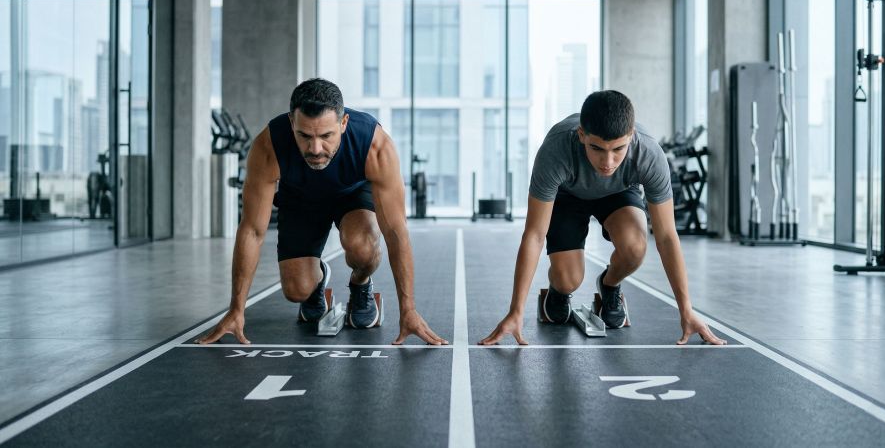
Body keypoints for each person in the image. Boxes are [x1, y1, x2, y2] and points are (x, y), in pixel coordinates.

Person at [199, 78, 447, 346]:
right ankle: (317, 280)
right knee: (296, 290)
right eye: (304, 136)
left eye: (326, 136)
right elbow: (252, 230)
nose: (315, 149)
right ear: (292, 123)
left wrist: (407, 309)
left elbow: (396, 232)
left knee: (362, 247)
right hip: (300, 197)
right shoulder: (269, 146)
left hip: (352, 193)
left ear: (343, 124)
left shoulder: (374, 145)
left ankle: (361, 284)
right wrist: (236, 309)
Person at [480, 90, 726, 346]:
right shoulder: (556, 150)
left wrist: (686, 310)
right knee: (569, 279)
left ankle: (609, 286)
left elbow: (665, 236)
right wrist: (516, 311)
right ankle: (556, 292)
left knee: (636, 246)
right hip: (568, 195)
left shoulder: (649, 154)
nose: (608, 161)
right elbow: (534, 235)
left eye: (618, 149)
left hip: (618, 192)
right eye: (597, 148)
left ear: (631, 137)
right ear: (581, 135)